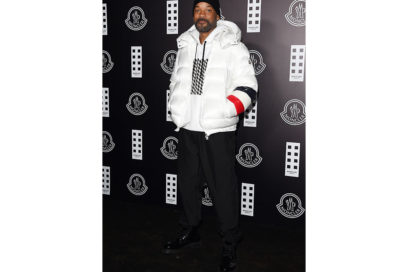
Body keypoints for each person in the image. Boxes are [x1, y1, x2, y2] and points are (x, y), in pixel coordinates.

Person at [163, 1, 258, 271]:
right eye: (197, 10)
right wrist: (176, 108)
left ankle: (229, 243)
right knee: (188, 186)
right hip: (188, 128)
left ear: (217, 14)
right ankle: (190, 230)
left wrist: (224, 111)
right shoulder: (185, 46)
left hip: (217, 131)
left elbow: (248, 87)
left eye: (207, 10)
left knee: (223, 190)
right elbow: (175, 81)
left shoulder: (232, 47)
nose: (201, 15)